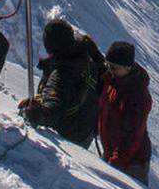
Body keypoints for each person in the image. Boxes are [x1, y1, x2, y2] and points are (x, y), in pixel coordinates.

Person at [18, 19, 104, 147]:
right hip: (86, 127)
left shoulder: (62, 72)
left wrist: (37, 113)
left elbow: (54, 107)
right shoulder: (83, 52)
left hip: (70, 135)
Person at [99, 41, 152, 187]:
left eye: (114, 67)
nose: (109, 70)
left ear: (128, 67)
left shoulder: (138, 96)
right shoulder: (113, 82)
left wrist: (115, 163)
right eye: (107, 65)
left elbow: (132, 135)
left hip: (131, 162)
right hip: (112, 154)